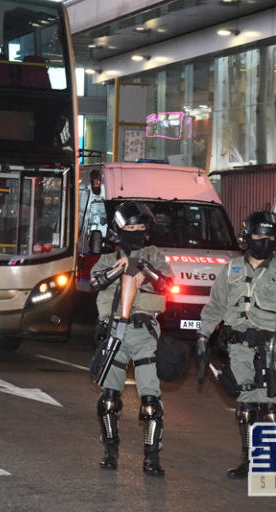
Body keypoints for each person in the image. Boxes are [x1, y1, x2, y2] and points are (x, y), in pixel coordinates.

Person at [196, 210, 276, 479]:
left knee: (270, 408)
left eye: (269, 236)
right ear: (248, 236)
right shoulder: (231, 269)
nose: (263, 241)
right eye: (258, 235)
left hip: (269, 349)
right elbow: (215, 307)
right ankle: (249, 460)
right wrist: (202, 337)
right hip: (238, 349)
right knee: (246, 409)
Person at [90, 201, 173, 476]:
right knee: (109, 400)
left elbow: (165, 283)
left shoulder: (155, 255)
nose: (136, 232)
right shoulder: (107, 259)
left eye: (140, 228)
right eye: (131, 228)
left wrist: (141, 266)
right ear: (118, 230)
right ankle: (110, 451)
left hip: (144, 332)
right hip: (115, 332)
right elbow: (96, 282)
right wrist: (119, 267)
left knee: (150, 400)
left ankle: (152, 457)